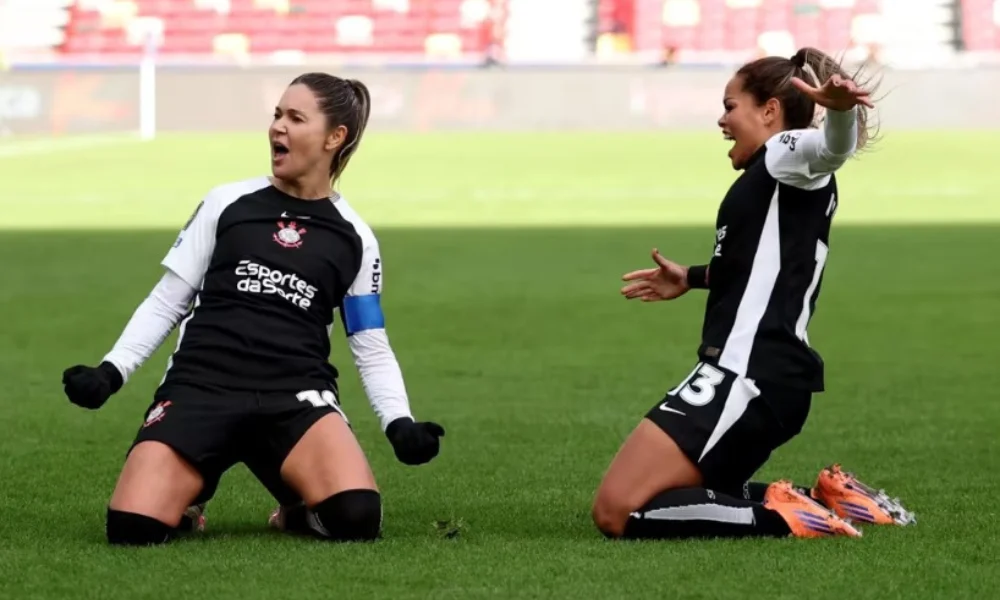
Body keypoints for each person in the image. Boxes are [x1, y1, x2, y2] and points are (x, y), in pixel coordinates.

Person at [61, 72, 445, 546]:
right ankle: (193, 490)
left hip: (295, 397)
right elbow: (167, 301)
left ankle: (295, 508)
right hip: (201, 388)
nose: (278, 127)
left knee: (356, 518)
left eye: (295, 118)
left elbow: (369, 342)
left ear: (334, 137)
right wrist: (111, 371)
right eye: (277, 115)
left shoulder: (355, 237)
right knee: (131, 529)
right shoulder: (227, 202)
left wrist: (398, 422)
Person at [591, 48, 915, 540]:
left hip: (747, 375)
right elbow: (757, 269)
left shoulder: (784, 152)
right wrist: (692, 277)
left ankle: (789, 518)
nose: (722, 120)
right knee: (680, 497)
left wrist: (840, 113)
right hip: (761, 375)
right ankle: (829, 499)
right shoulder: (772, 180)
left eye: (730, 106)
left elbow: (832, 149)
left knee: (617, 511)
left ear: (769, 111)